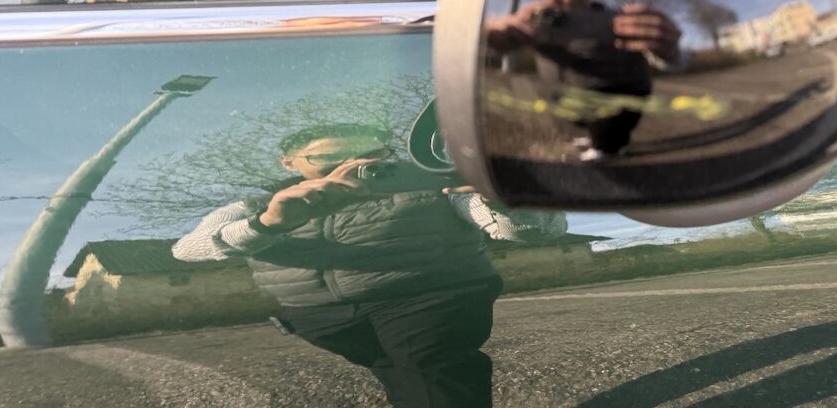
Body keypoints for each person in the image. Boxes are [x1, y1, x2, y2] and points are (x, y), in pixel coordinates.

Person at [173, 122, 565, 408]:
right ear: (289, 162)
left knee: (431, 371)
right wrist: (267, 223)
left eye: (370, 155)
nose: (350, 165)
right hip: (321, 318)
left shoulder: (433, 183)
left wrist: (503, 201)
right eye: (328, 157)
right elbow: (187, 249)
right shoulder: (259, 204)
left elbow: (523, 231)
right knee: (401, 373)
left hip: (426, 298)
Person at [485, 0, 683, 159]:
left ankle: (607, 150)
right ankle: (598, 138)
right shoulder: (535, 23)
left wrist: (667, 49)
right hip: (568, 94)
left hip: (617, 93)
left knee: (609, 128)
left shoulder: (617, 20)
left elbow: (664, 58)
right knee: (584, 118)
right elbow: (494, 43)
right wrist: (492, 33)